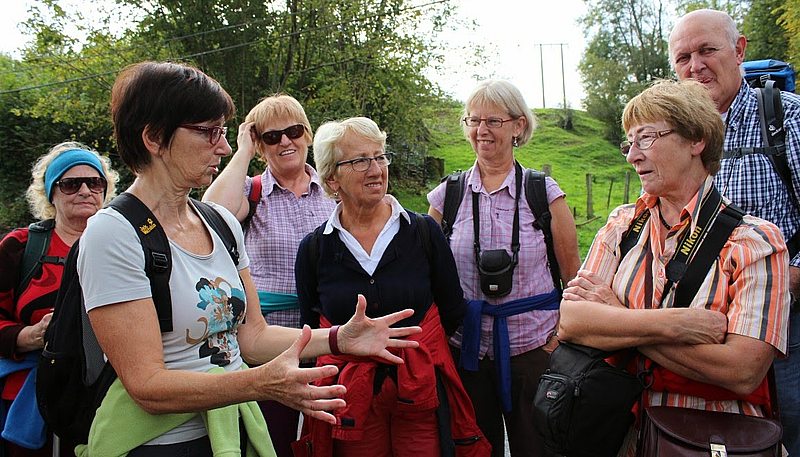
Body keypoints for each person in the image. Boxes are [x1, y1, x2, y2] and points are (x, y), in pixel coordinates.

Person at [77, 61, 422, 456]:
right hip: (158, 444)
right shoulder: (113, 233)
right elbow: (147, 386)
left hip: (232, 431)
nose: (223, 147)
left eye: (223, 133)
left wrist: (340, 338)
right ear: (154, 138)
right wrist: (259, 384)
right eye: (209, 133)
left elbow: (252, 337)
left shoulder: (220, 222)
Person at [558, 79, 790, 456]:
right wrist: (678, 325)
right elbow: (570, 321)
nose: (632, 155)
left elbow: (742, 371)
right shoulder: (623, 225)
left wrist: (616, 318)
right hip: (620, 433)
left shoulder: (756, 242)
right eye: (629, 143)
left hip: (715, 438)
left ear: (696, 140)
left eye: (646, 138)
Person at [295, 117, 490, 457]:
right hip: (351, 395)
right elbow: (311, 325)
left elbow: (451, 309)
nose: (375, 169)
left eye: (380, 157)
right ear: (331, 179)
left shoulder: (423, 232)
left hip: (420, 389)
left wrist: (413, 350)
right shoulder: (315, 248)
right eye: (359, 161)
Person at [426, 79, 581, 457]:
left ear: (518, 126)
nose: (482, 130)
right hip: (467, 350)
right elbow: (428, 278)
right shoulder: (448, 196)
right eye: (474, 120)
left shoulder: (544, 194)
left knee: (539, 448)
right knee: (474, 448)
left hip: (535, 349)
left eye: (493, 120)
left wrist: (559, 341)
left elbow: (575, 278)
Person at [669, 9, 800, 452]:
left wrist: (790, 278)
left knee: (791, 426)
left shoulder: (789, 120)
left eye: (707, 50)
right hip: (703, 327)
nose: (695, 66)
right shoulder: (673, 135)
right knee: (714, 435)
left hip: (786, 324)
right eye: (683, 57)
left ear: (739, 49)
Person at [203, 94, 336, 457]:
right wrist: (242, 148)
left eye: (293, 131)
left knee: (326, 437)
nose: (285, 142)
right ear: (261, 145)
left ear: (307, 134)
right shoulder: (252, 191)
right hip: (265, 344)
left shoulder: (333, 191)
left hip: (326, 335)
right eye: (271, 136)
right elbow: (212, 212)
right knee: (271, 439)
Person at [0, 142, 118, 457]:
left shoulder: (123, 247)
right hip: (32, 395)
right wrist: (27, 336)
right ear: (51, 193)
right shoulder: (21, 247)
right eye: (70, 184)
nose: (84, 191)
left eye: (94, 183)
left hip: (108, 392)